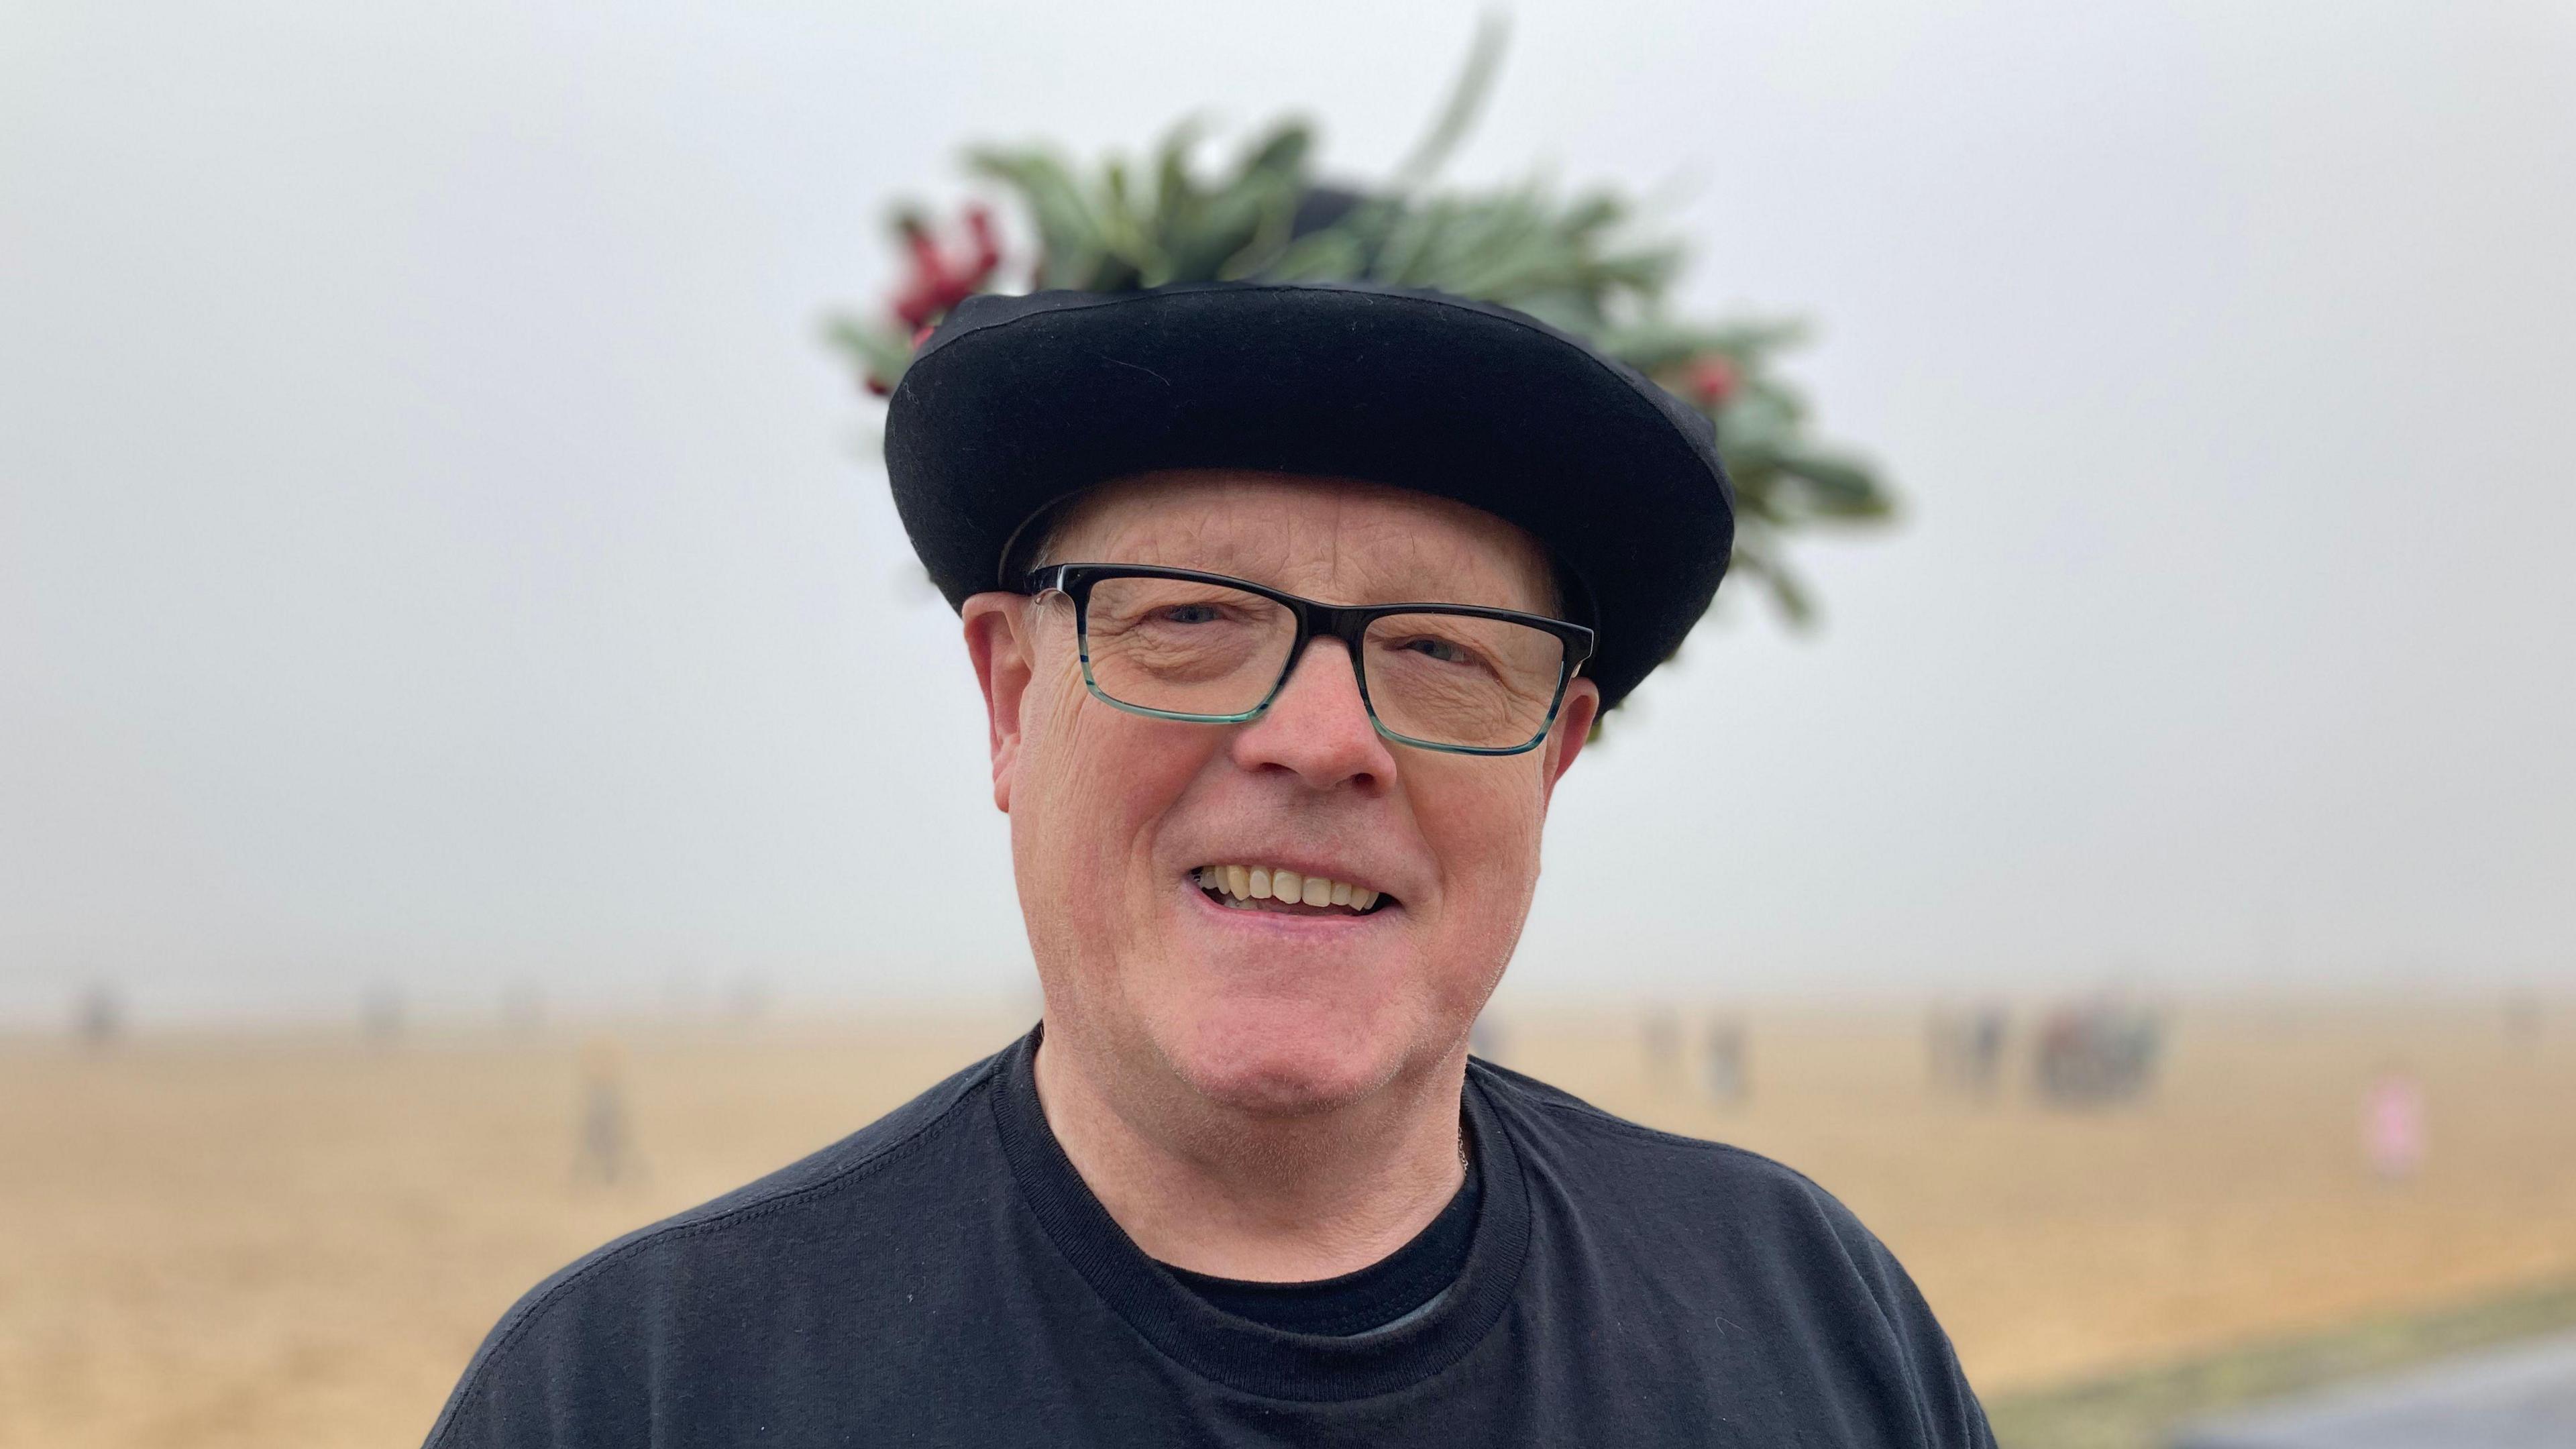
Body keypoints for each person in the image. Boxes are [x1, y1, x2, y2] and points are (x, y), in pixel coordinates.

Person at [423, 282, 1993, 1446]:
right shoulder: (637, 1394)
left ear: (1554, 755)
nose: (1321, 740)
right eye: (1186, 620)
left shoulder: (1811, 1323)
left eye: (1445, 652)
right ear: (1014, 702)